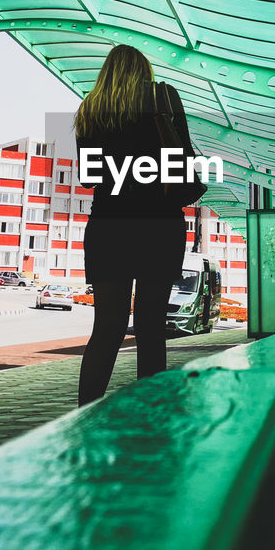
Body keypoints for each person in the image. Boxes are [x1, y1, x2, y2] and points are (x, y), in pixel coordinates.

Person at [74, 44, 194, 405]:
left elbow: (89, 176)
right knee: (150, 327)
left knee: (107, 329)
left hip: (110, 226)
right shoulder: (163, 97)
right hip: (158, 224)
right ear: (144, 71)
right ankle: (150, 415)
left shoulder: (91, 108)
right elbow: (182, 155)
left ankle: (85, 415)